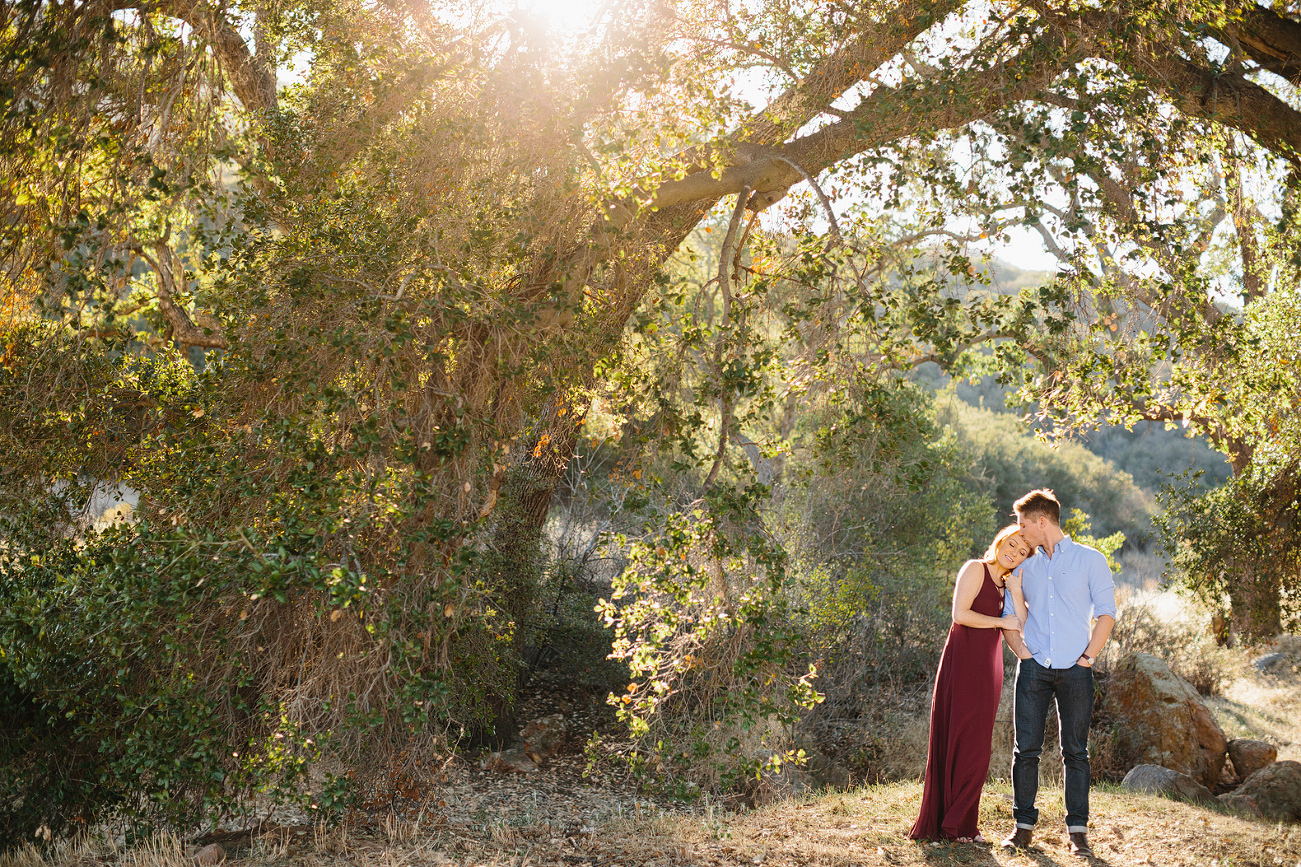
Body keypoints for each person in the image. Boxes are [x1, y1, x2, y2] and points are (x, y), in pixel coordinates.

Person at [1000, 489, 1117, 859]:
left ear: (1041, 522)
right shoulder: (1022, 565)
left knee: (1076, 752)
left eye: (1022, 524)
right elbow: (1009, 617)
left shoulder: (1090, 560)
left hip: (1075, 670)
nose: (1018, 532)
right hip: (1034, 669)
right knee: (1026, 750)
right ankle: (1023, 828)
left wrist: (1088, 658)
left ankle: (1078, 832)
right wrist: (1023, 654)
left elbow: (1107, 613)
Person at [909, 525, 1032, 843]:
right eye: (1012, 544)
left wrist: (1017, 593)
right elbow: (960, 614)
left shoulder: (1007, 585)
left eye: (1022, 552)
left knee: (977, 747)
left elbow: (1019, 625)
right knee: (957, 738)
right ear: (1001, 540)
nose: (1014, 552)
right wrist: (999, 621)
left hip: (989, 669)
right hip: (962, 664)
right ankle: (948, 823)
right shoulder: (976, 569)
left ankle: (965, 824)